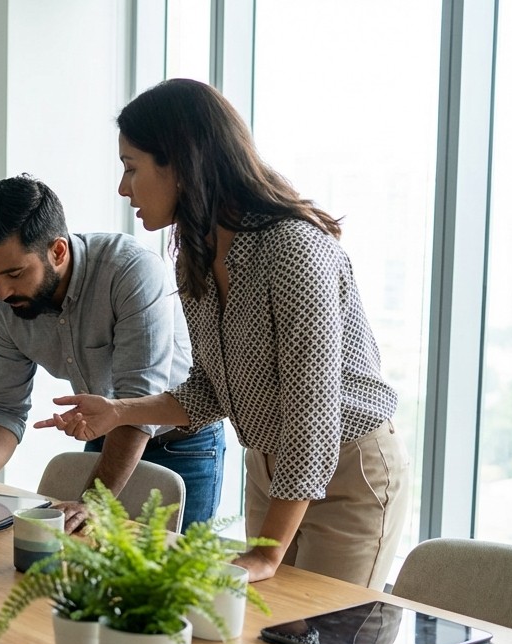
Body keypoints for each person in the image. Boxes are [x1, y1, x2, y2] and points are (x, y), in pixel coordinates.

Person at [42, 79, 409, 588]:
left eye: (131, 167)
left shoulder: (293, 250)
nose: (123, 189)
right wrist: (120, 411)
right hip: (269, 468)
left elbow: (313, 415)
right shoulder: (194, 256)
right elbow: (212, 390)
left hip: (349, 473)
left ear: (181, 164)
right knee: (265, 638)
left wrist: (266, 555)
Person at [0, 175, 225, 533]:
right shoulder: (7, 304)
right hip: (107, 435)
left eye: (14, 273)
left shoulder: (130, 270)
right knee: (85, 564)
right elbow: (4, 404)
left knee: (171, 579)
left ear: (58, 251)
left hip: (183, 444)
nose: (1, 292)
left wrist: (93, 501)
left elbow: (136, 399)